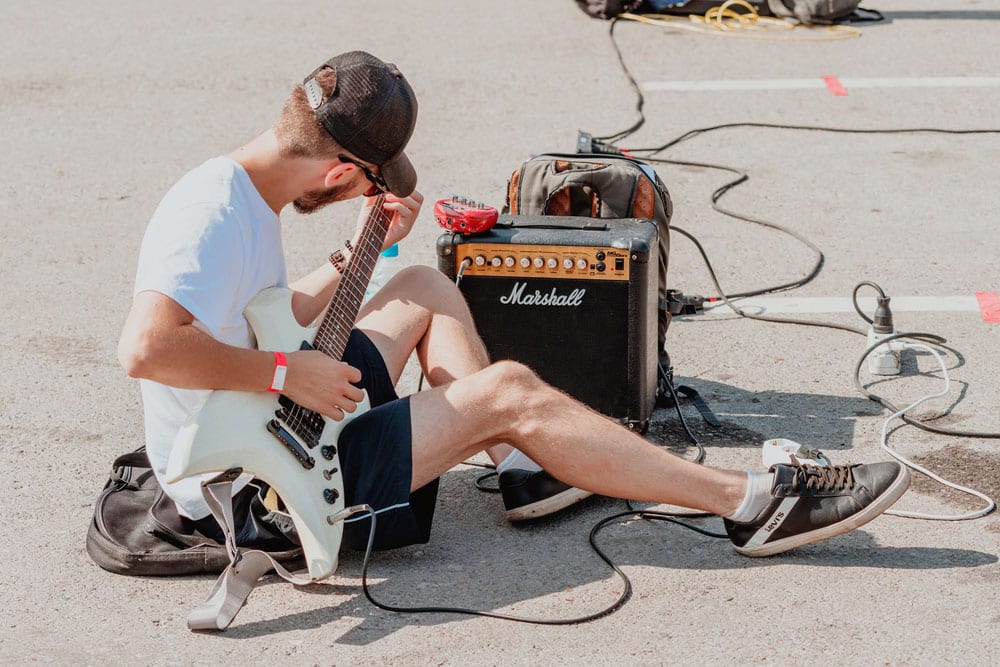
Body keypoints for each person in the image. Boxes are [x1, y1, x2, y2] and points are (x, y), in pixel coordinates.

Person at [118, 51, 910, 560]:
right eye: (372, 180)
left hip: (271, 410)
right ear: (340, 169)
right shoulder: (208, 211)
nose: (372, 190)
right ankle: (751, 503)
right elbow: (148, 349)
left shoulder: (250, 194)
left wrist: (363, 248)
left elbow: (265, 309)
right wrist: (291, 372)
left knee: (424, 286)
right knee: (509, 389)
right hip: (262, 482)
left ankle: (526, 469)